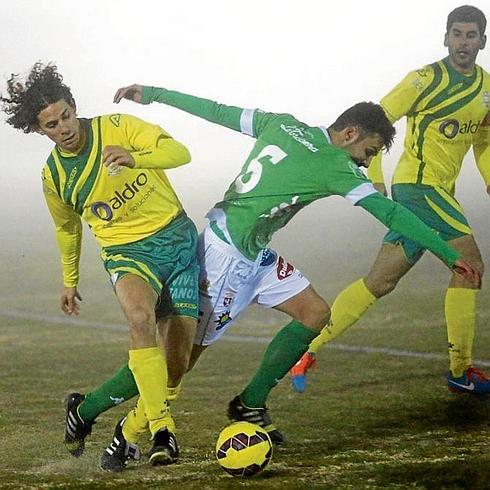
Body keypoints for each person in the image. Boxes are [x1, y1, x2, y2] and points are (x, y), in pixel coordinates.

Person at [74, 80, 479, 471]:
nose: (366, 163)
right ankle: (105, 420)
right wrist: (447, 253)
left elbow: (217, 111)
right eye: (368, 151)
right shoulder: (336, 165)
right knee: (174, 364)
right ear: (350, 133)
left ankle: (250, 402)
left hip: (250, 251)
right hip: (224, 261)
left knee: (314, 313)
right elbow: (390, 212)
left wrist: (156, 94)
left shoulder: (282, 123)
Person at [0, 63, 201, 469]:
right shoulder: (54, 177)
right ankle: (163, 430)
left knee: (175, 364)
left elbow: (181, 152)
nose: (63, 128)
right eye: (51, 125)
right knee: (140, 320)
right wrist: (69, 281)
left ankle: (86, 410)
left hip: (177, 242)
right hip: (127, 253)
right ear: (41, 131)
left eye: (66, 116)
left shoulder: (118, 127)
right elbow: (68, 230)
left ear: (74, 107)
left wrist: (136, 158)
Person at [290, 4, 490, 394]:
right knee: (470, 265)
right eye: (456, 34)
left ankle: (305, 349)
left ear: (483, 41)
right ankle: (460, 371)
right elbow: (378, 122)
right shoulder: (424, 80)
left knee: (379, 282)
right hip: (418, 187)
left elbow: (484, 137)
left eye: (471, 35)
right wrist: (375, 177)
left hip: (436, 191)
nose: (463, 42)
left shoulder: (485, 88)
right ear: (445, 38)